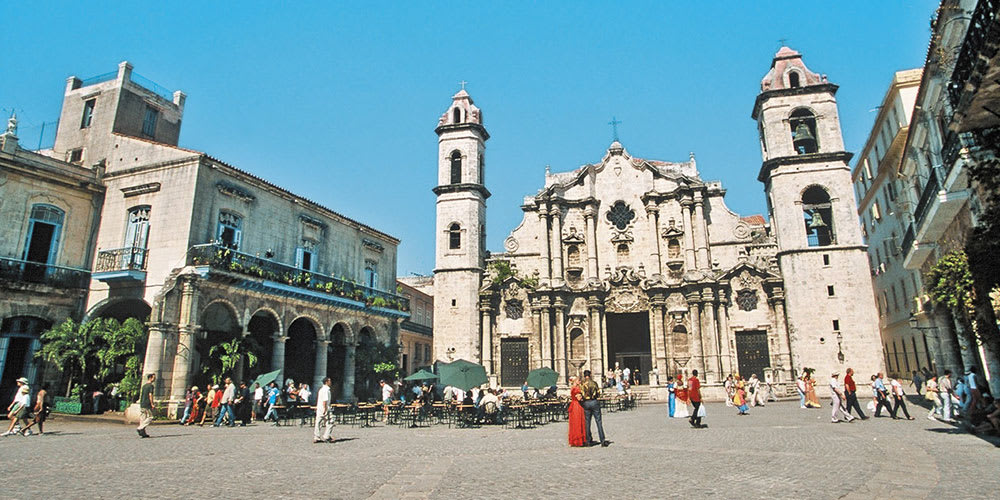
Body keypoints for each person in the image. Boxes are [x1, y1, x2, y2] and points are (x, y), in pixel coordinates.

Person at [580, 370, 609, 447]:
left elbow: (581, 394)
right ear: (590, 375)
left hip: (586, 403)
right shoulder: (594, 383)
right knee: (598, 421)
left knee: (587, 422)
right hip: (594, 402)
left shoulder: (582, 384)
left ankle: (588, 441)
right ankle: (602, 440)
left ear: (584, 375)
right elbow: (598, 393)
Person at [314, 377, 334, 443]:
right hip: (324, 408)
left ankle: (316, 437)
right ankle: (326, 436)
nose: (330, 382)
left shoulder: (321, 389)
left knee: (318, 422)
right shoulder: (326, 390)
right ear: (326, 382)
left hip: (319, 408)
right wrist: (325, 409)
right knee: (330, 422)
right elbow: (325, 400)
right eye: (329, 381)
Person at [567, 376, 586, 447]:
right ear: (575, 381)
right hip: (577, 406)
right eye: (578, 380)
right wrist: (583, 397)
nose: (580, 381)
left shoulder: (572, 387)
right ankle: (578, 440)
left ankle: (574, 440)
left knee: (574, 423)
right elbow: (579, 398)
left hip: (573, 405)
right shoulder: (576, 389)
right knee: (578, 422)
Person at [137, 373, 155, 438]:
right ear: (150, 378)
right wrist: (152, 404)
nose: (154, 379)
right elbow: (150, 395)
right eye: (153, 377)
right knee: (150, 417)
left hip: (142, 403)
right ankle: (140, 428)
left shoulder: (144, 386)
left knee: (143, 418)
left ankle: (143, 433)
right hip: (147, 403)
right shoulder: (151, 386)